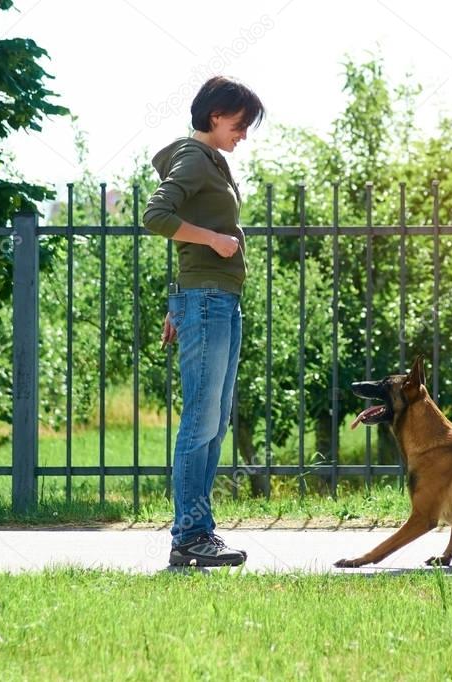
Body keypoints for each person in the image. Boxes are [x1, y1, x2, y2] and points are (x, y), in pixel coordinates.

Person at [143, 76, 264, 567]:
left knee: (213, 423)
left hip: (214, 302)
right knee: (200, 421)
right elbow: (156, 215)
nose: (244, 134)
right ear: (215, 115)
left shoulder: (209, 161)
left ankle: (199, 533)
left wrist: (179, 303)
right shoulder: (194, 159)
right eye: (240, 124)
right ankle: (188, 537)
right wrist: (214, 241)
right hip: (208, 301)